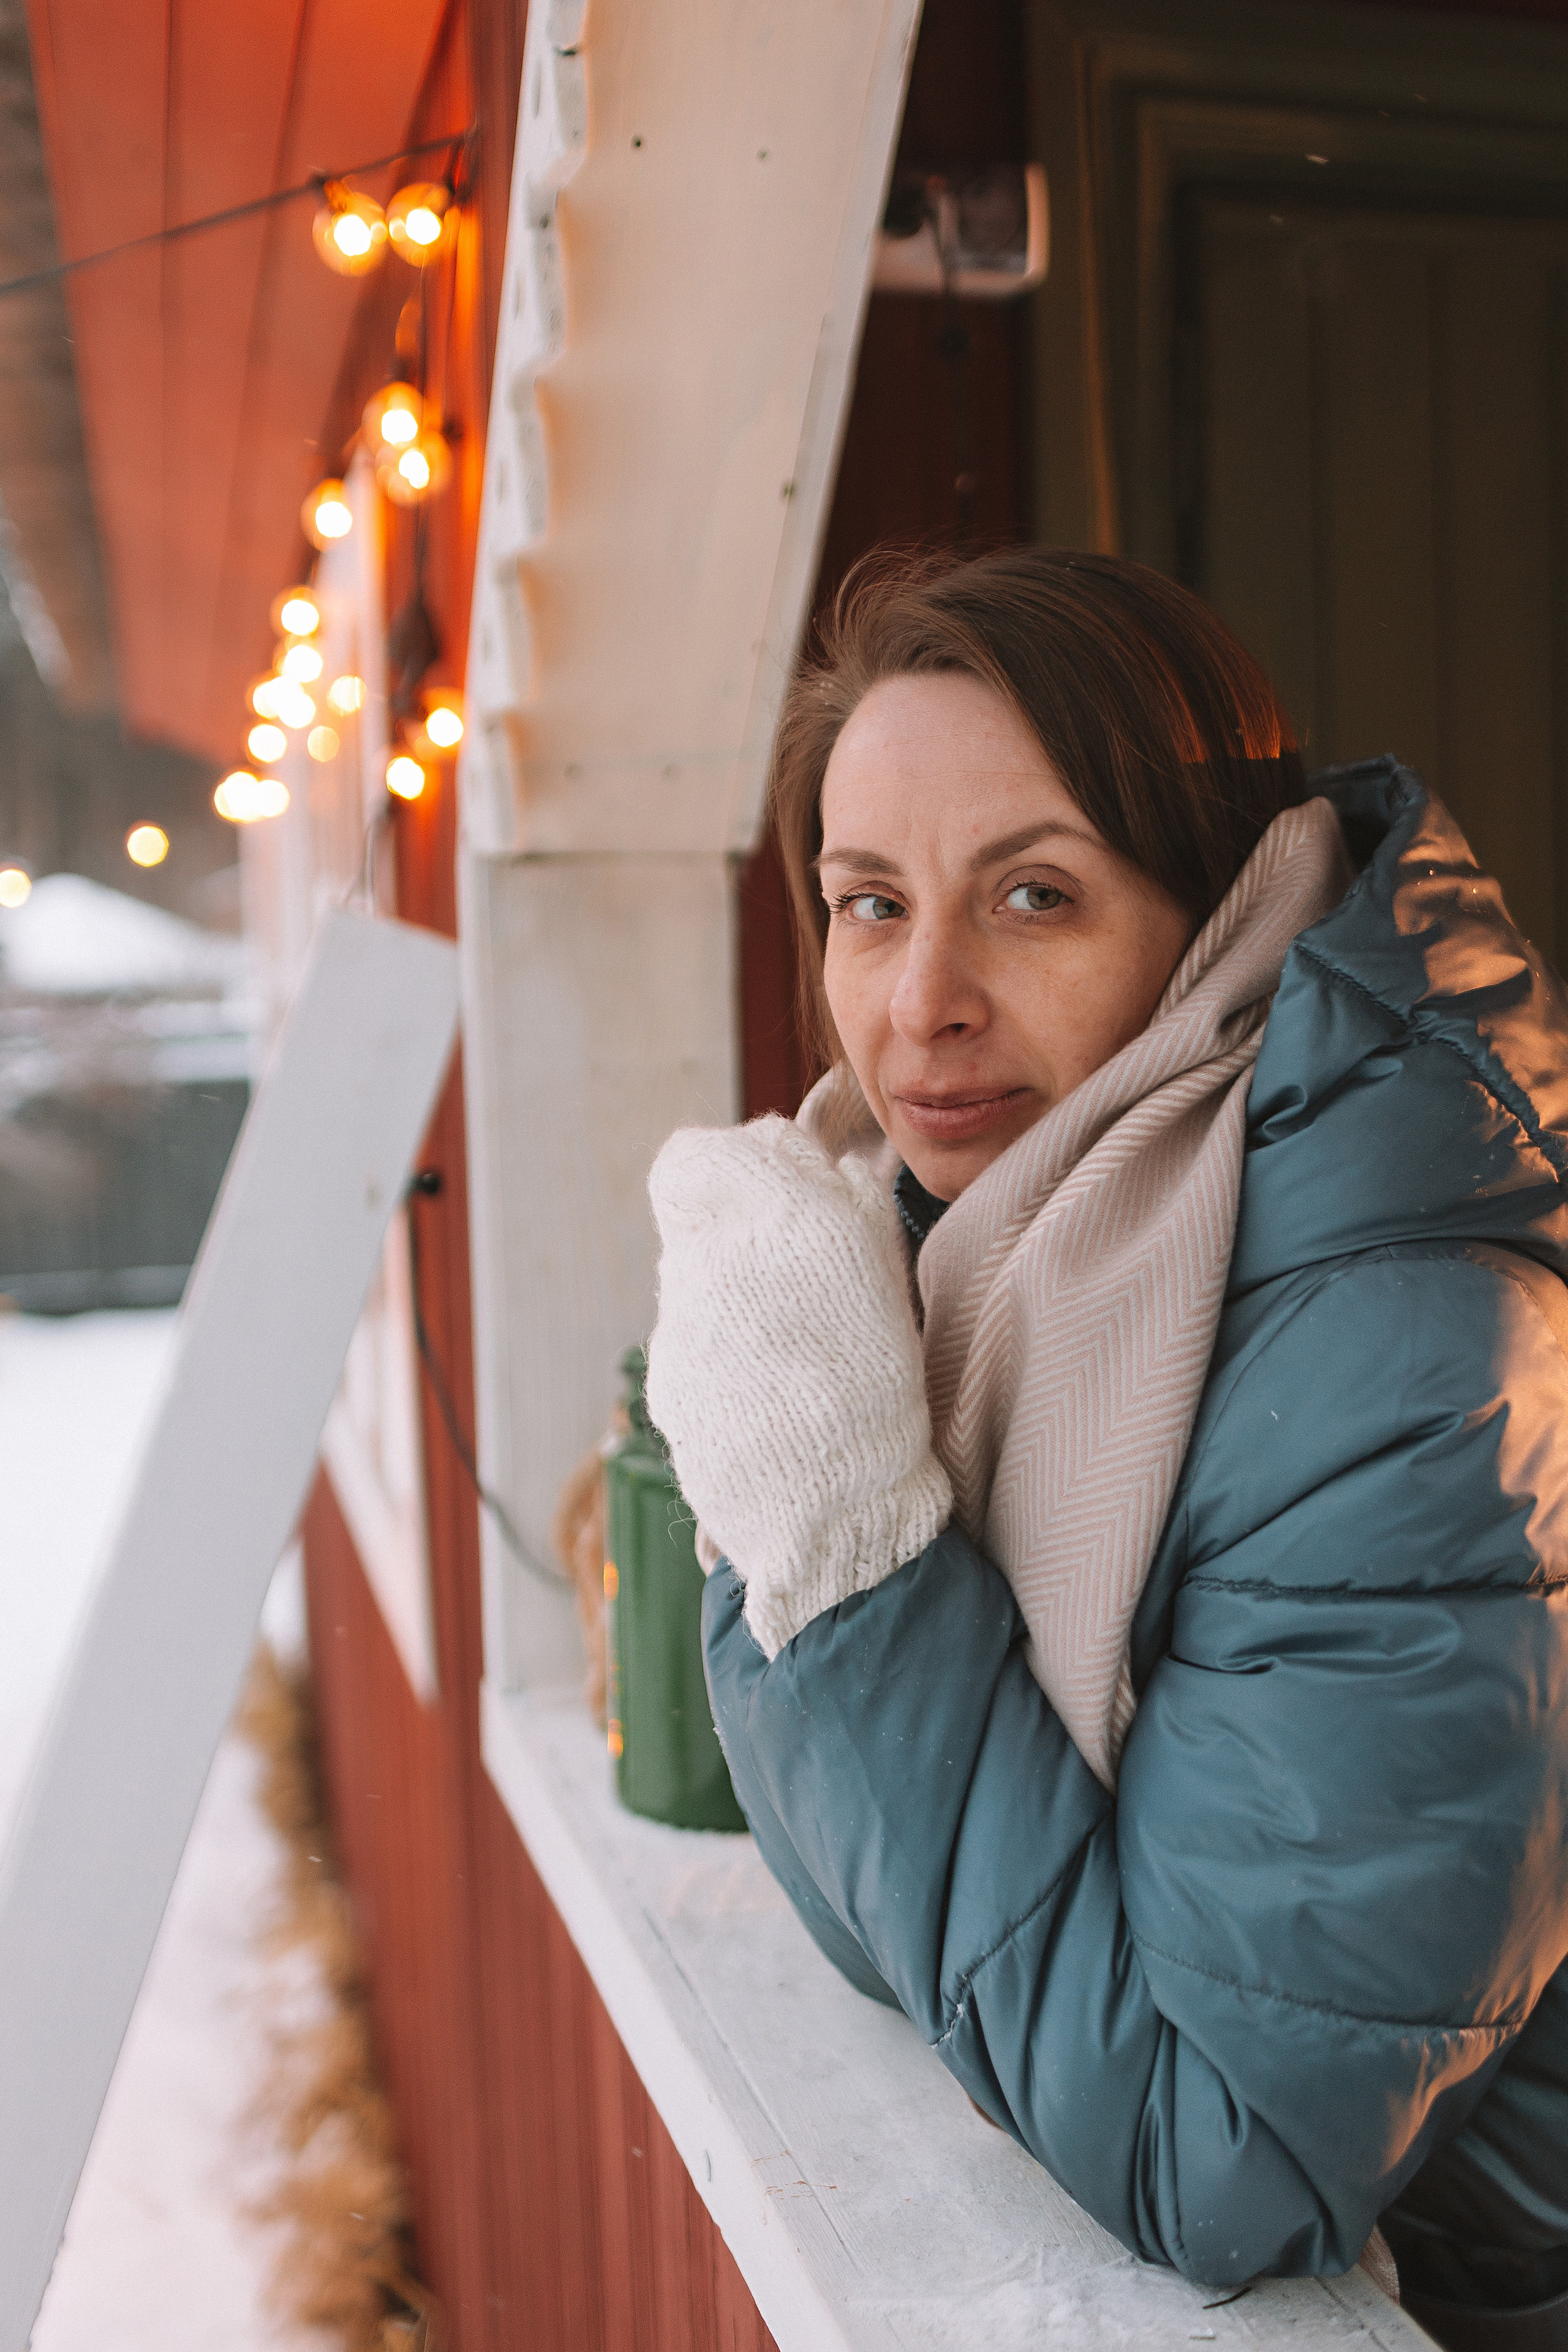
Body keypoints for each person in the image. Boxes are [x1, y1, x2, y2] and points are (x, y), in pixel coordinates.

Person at [644, 548, 1568, 2352]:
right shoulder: (923, 1255)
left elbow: (1226, 2148)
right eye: (867, 903)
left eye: (1036, 896)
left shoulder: (1407, 1350)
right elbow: (897, 1919)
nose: (923, 1006)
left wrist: (848, 1563)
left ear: (1217, 905)